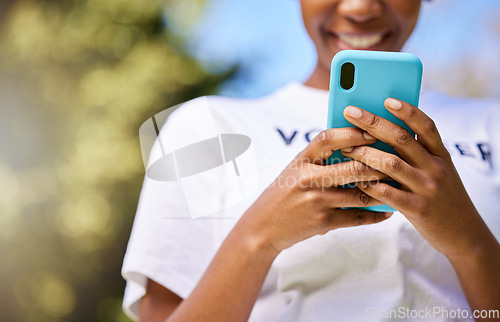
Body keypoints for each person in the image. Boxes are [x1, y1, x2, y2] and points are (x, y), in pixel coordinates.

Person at [122, 0, 500, 321]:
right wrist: (259, 237)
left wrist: (470, 242)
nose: (361, 8)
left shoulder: (492, 126)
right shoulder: (206, 127)